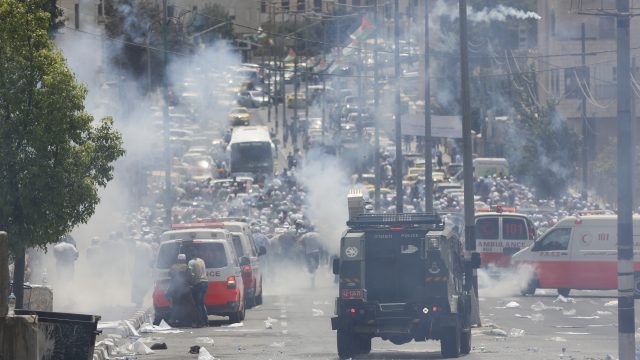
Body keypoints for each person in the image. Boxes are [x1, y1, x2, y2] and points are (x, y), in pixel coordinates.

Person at [167, 254, 196, 327]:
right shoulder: (187, 267)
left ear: (178, 260)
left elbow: (170, 274)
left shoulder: (173, 267)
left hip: (176, 290)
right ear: (184, 260)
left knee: (176, 305)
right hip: (186, 289)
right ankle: (192, 321)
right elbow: (190, 278)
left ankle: (173, 320)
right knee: (190, 305)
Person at [188, 255, 209, 327]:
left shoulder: (191, 262)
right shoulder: (201, 260)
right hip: (205, 283)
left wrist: (190, 283)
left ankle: (200, 322)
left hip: (198, 284)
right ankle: (206, 321)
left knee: (197, 304)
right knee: (201, 303)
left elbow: (191, 274)